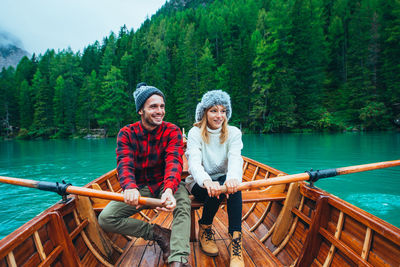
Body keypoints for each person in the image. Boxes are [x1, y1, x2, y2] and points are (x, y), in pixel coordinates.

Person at [98, 82, 191, 267]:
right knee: (106, 219)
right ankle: (158, 233)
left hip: (167, 184)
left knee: (183, 205)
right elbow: (124, 164)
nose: (159, 111)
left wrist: (169, 190)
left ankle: (178, 259)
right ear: (140, 110)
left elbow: (174, 161)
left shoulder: (172, 130)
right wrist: (129, 187)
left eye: (162, 106)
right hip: (141, 188)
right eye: (153, 107)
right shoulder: (126, 133)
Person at [185, 90, 244, 267]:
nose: (219, 116)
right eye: (214, 110)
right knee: (216, 188)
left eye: (223, 111)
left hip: (224, 181)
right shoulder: (195, 133)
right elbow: (194, 163)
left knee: (233, 188)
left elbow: (235, 158)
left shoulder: (233, 132)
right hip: (198, 183)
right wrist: (206, 181)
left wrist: (233, 179)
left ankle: (236, 243)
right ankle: (205, 226)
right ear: (204, 112)